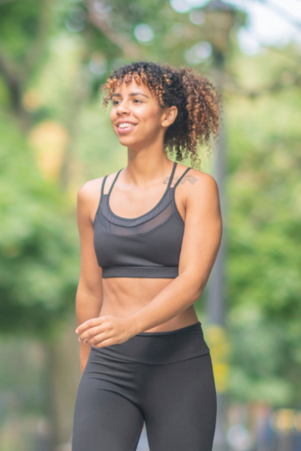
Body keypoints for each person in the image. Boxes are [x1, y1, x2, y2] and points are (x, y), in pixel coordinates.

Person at [71, 62, 223, 451]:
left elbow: (191, 283)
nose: (122, 109)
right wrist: (90, 365)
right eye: (117, 100)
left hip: (179, 365)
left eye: (137, 100)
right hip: (109, 366)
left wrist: (130, 325)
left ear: (168, 115)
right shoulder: (92, 195)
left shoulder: (195, 188)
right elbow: (90, 288)